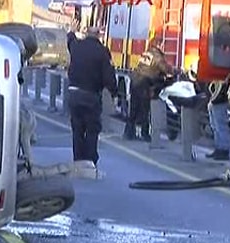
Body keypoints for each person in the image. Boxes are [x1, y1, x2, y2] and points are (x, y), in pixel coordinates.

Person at [66, 19, 118, 166]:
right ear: (99, 36)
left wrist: (71, 30)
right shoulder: (102, 52)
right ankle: (89, 161)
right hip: (90, 95)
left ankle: (78, 160)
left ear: (87, 34)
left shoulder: (77, 46)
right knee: (92, 129)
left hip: (74, 94)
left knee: (77, 129)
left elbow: (70, 40)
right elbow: (108, 77)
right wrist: (114, 92)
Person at [123, 38, 173, 142]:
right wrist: (173, 71)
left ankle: (128, 133)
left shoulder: (147, 53)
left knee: (133, 109)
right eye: (163, 44)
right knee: (144, 109)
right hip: (144, 83)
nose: (164, 47)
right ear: (159, 45)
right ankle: (144, 134)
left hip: (136, 80)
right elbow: (165, 69)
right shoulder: (158, 56)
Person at [206, 72, 230, 160]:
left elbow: (221, 88)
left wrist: (212, 100)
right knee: (215, 126)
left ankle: (224, 150)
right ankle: (219, 148)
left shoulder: (225, 72)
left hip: (219, 101)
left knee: (220, 126)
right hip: (216, 101)